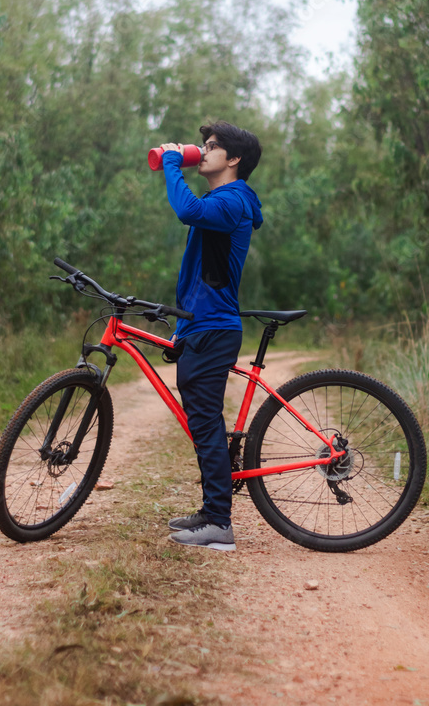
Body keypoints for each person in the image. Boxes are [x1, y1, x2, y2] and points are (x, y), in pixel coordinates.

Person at [159, 121, 263, 551]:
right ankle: (210, 510)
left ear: (233, 159)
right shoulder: (222, 199)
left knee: (204, 422)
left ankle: (220, 524)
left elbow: (188, 211)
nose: (202, 150)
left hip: (213, 327)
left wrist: (170, 162)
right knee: (204, 425)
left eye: (212, 146)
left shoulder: (234, 200)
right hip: (199, 324)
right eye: (202, 144)